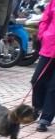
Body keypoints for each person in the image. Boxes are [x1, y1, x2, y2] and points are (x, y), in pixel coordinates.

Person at [32, 0, 55, 131]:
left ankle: (46, 118)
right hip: (48, 46)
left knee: (53, 87)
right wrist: (43, 35)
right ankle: (38, 106)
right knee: (37, 79)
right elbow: (45, 19)